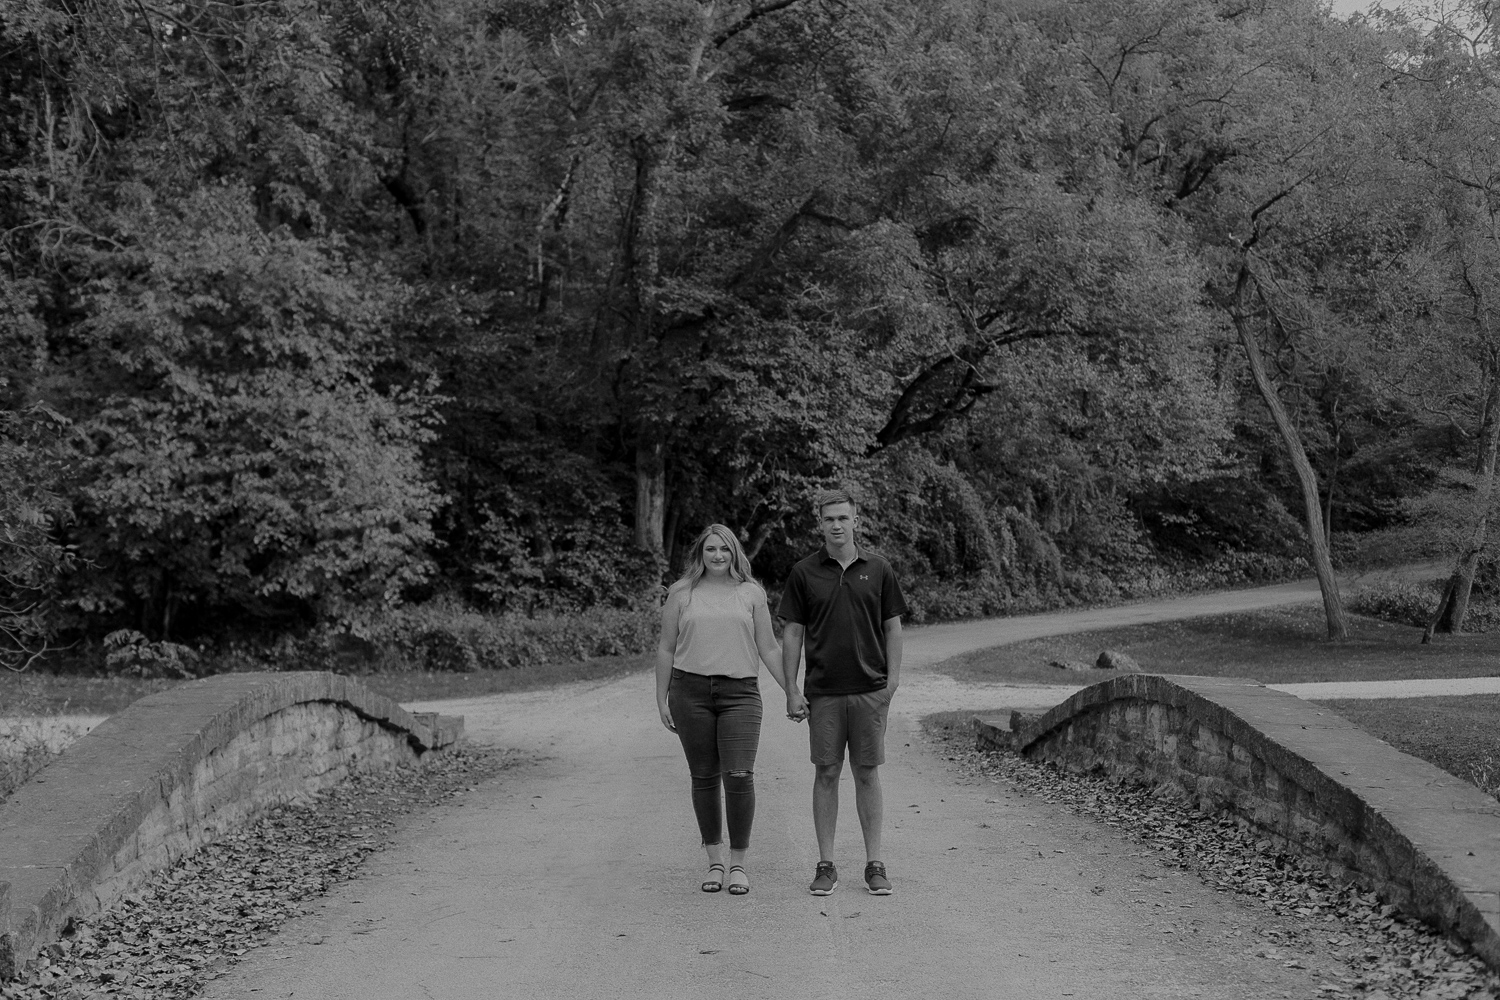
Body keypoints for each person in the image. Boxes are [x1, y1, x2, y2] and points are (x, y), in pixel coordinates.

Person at [656, 523, 799, 895]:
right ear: (700, 555)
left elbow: (768, 647)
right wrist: (661, 697)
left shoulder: (751, 594)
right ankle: (714, 861)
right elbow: (667, 648)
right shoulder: (681, 593)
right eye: (710, 550)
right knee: (703, 777)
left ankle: (738, 863)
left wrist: (792, 691)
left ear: (735, 553)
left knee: (737, 775)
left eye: (724, 549)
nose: (717, 556)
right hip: (690, 693)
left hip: (740, 694)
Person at [778, 488, 907, 897]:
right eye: (829, 519)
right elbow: (793, 633)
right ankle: (826, 865)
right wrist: (791, 689)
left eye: (843, 518)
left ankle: (874, 863)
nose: (837, 525)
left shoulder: (879, 569)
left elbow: (893, 628)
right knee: (827, 772)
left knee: (867, 773)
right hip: (824, 692)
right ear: (821, 523)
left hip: (870, 690)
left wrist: (892, 683)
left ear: (856, 521)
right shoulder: (804, 572)